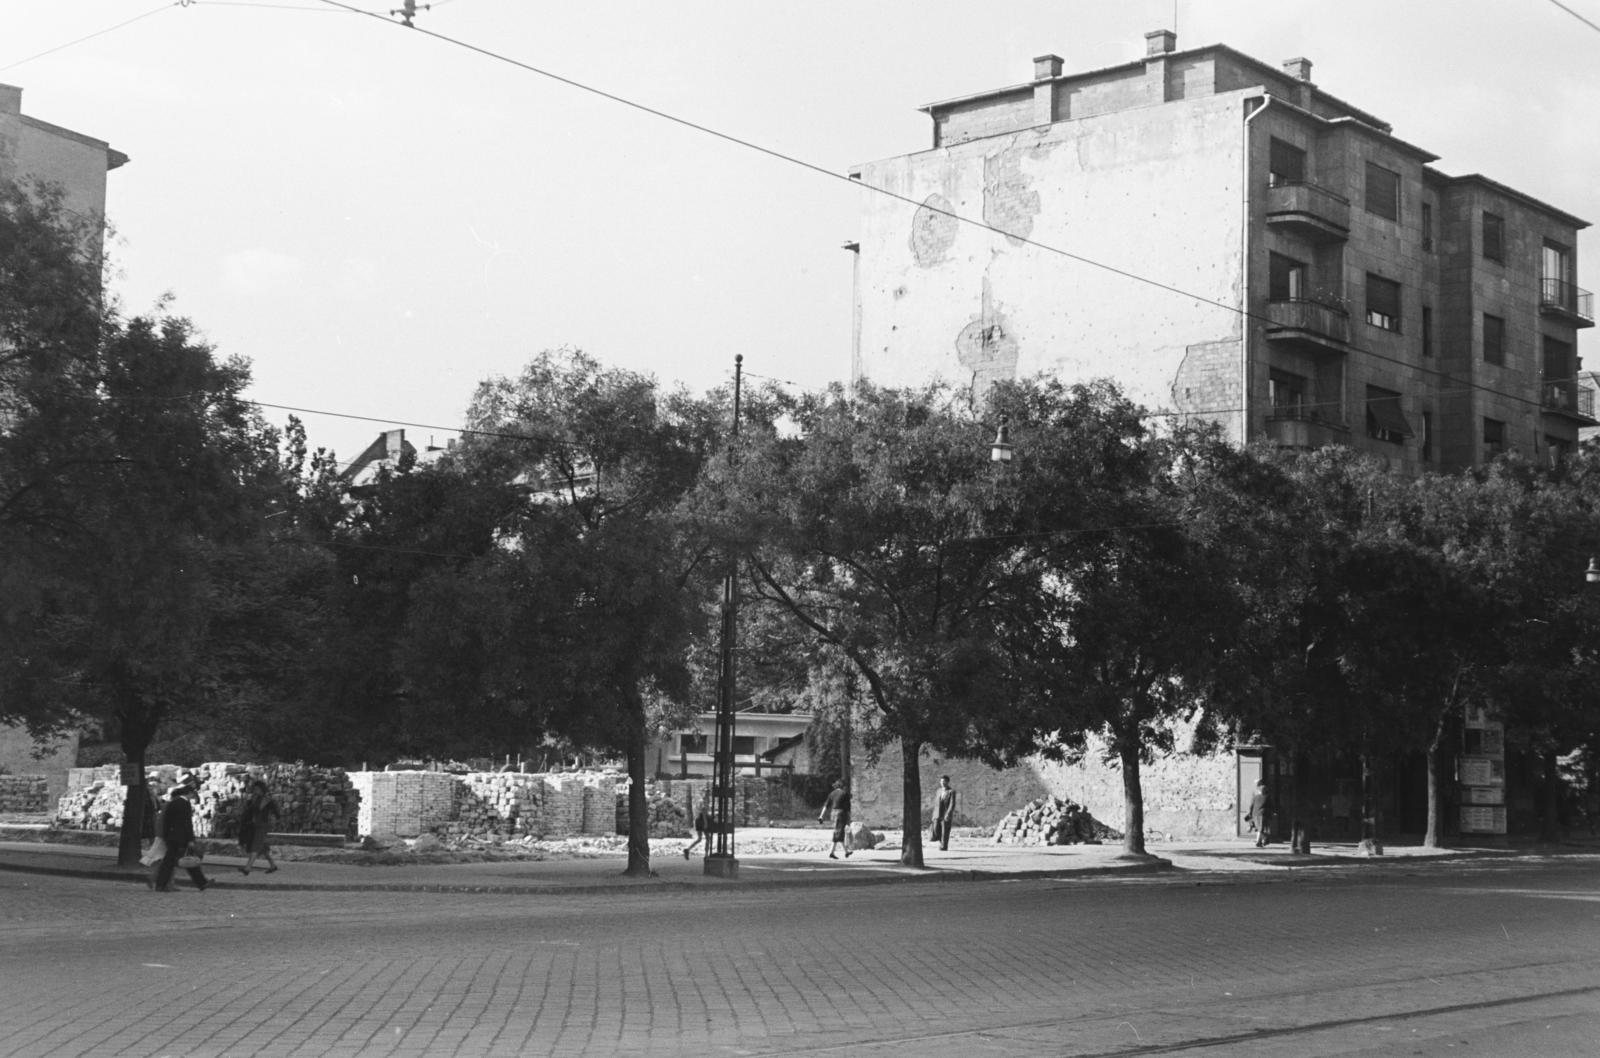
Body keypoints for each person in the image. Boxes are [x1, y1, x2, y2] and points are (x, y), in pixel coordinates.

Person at [150, 779, 209, 892]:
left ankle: (201, 882)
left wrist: (167, 836)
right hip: (181, 837)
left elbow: (167, 821)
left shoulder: (173, 803)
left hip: (172, 836)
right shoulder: (184, 803)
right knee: (180, 860)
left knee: (180, 860)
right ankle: (201, 883)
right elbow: (186, 823)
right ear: (189, 793)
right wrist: (190, 839)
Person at [237, 778, 281, 875]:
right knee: (262, 847)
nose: (255, 790)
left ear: (261, 789)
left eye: (257, 789)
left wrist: (274, 820)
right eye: (255, 788)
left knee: (255, 846)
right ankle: (273, 866)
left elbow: (276, 813)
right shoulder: (254, 799)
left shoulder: (267, 800)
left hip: (263, 825)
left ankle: (247, 868)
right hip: (255, 825)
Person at [819, 778, 852, 859]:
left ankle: (844, 852)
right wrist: (849, 820)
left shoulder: (831, 794)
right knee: (838, 833)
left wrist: (821, 816)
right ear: (843, 786)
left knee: (838, 832)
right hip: (841, 814)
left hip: (833, 814)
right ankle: (833, 852)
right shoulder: (845, 794)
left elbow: (826, 806)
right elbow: (848, 809)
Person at [932, 775, 957, 852]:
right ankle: (941, 842)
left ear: (947, 782)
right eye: (941, 781)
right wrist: (933, 815)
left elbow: (952, 804)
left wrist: (948, 814)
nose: (942, 783)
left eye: (944, 781)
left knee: (945, 831)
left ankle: (944, 846)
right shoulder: (938, 791)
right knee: (936, 829)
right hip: (937, 813)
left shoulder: (951, 791)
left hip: (945, 814)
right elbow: (936, 803)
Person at [1246, 780, 1272, 848]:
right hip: (1263, 814)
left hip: (1255, 814)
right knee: (1260, 828)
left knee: (1258, 828)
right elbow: (1270, 806)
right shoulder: (1267, 797)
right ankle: (1260, 840)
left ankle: (1260, 841)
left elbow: (1251, 806)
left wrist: (1250, 813)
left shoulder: (1255, 797)